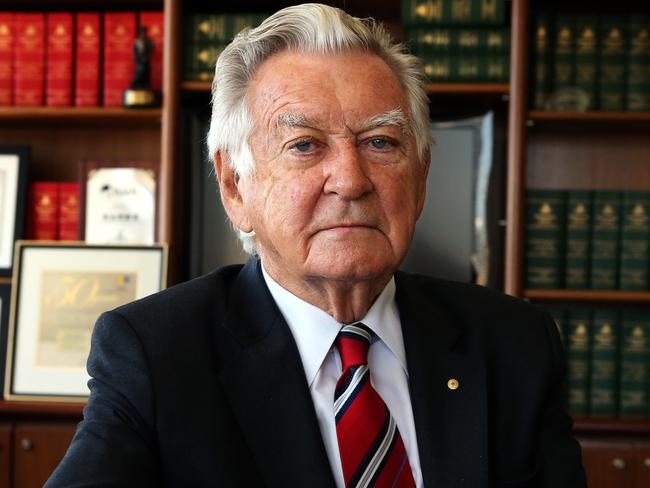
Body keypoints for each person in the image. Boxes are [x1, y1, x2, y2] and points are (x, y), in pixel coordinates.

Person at [46, 4, 586, 487]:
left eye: (380, 142)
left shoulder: (515, 344)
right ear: (236, 187)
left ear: (420, 180)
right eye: (304, 145)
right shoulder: (155, 355)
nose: (350, 180)